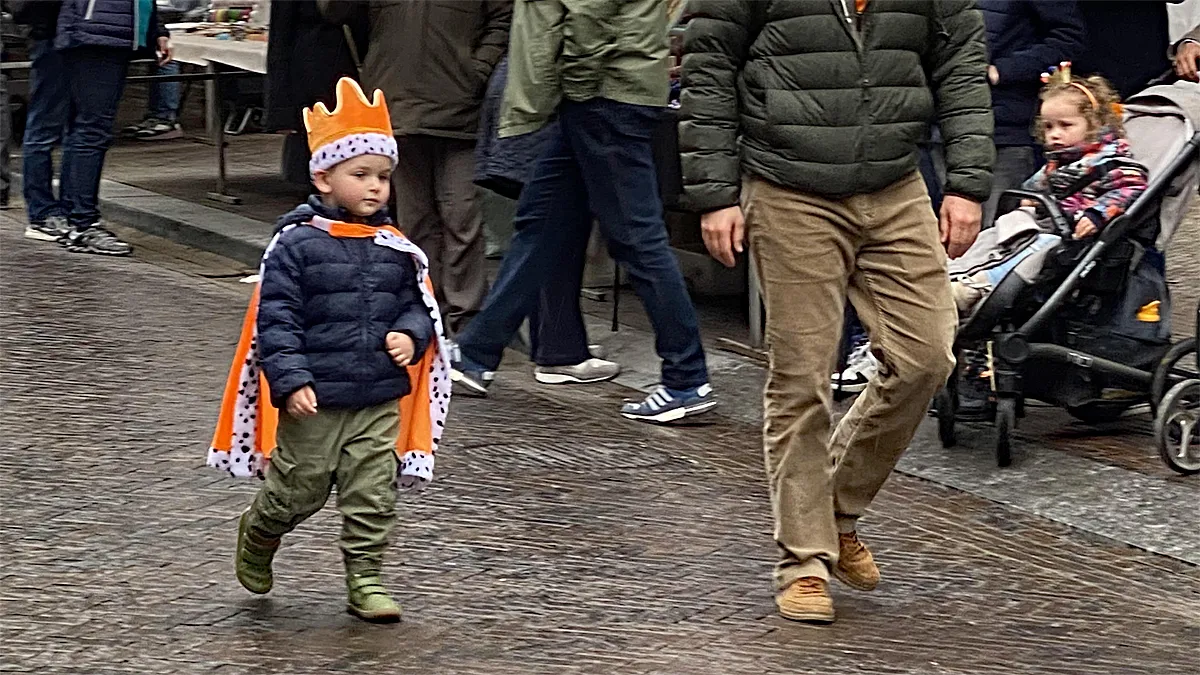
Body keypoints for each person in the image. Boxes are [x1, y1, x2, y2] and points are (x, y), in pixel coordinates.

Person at [681, 0, 993, 623]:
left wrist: (966, 181)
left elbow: (960, 61)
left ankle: (834, 510)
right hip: (787, 184)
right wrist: (715, 193)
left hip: (895, 181)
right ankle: (803, 561)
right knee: (802, 377)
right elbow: (709, 63)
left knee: (926, 355)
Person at [226, 78, 443, 623]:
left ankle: (365, 579)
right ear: (323, 177)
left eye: (384, 177)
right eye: (361, 174)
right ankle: (260, 529)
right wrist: (290, 380)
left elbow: (419, 306)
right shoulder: (295, 245)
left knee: (373, 495)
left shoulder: (396, 248)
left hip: (377, 397)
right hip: (316, 397)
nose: (375, 187)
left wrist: (411, 334)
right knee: (300, 490)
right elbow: (276, 321)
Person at [450, 0, 716, 424]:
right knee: (542, 224)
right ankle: (475, 355)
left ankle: (687, 379)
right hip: (606, 93)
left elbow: (590, 13)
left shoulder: (594, 85)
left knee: (635, 237)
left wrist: (576, 83)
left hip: (603, 96)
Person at [318, 0, 512, 335]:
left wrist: (475, 70)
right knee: (415, 220)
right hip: (398, 105)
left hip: (457, 108)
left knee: (461, 217)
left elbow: (504, 18)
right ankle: (424, 317)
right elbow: (335, 11)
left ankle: (465, 325)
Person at [53, 0, 174, 255]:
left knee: (84, 129)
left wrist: (157, 30)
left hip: (104, 31)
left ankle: (76, 221)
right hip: (96, 32)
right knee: (91, 130)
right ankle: (83, 223)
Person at [979, 0, 1086, 228]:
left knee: (997, 236)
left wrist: (1003, 71)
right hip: (933, 130)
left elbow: (1068, 39)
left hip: (1004, 130)